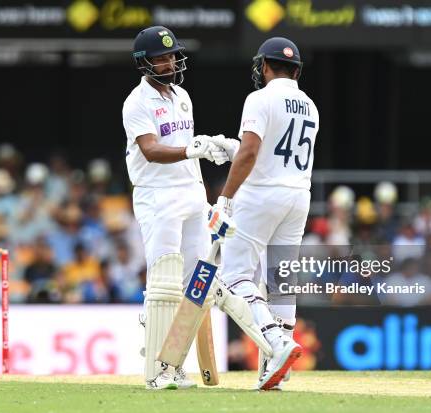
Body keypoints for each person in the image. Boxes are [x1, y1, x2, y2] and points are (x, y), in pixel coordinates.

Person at [208, 37, 320, 390]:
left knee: (236, 276)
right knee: (281, 280)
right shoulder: (310, 105)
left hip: (261, 195)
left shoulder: (259, 97)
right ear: (297, 70)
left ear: (266, 67)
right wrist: (234, 148)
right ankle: (280, 371)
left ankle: (276, 343)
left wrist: (225, 197)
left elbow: (252, 151)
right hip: (298, 195)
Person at [122, 25, 226, 390]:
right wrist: (190, 149)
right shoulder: (136, 102)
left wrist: (204, 189)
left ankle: (176, 366)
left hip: (190, 195)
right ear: (144, 62)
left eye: (171, 55)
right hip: (157, 196)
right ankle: (156, 371)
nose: (168, 62)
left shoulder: (182, 95)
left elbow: (188, 152)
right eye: (161, 57)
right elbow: (151, 149)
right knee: (163, 283)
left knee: (196, 284)